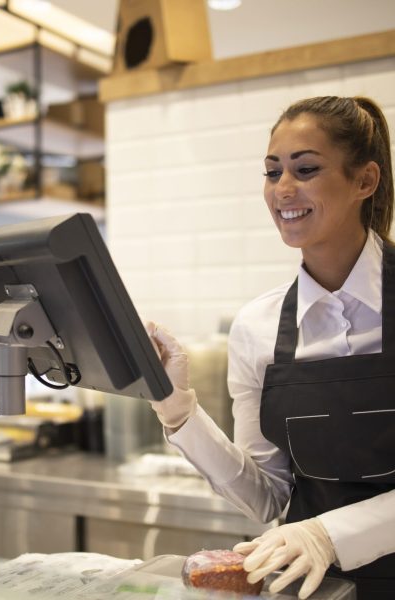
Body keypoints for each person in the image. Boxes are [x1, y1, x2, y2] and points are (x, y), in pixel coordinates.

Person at [147, 96, 395, 600]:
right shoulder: (257, 328)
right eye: (271, 171)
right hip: (313, 591)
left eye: (305, 169)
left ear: (364, 182)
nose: (283, 190)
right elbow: (268, 497)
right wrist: (178, 411)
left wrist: (328, 534)